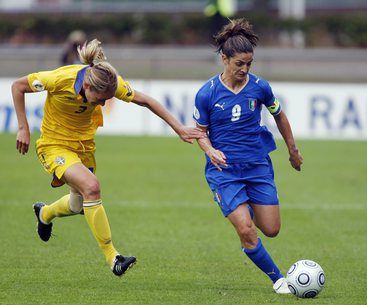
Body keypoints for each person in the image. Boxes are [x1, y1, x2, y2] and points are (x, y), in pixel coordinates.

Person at [11, 39, 205, 276]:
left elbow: (146, 100)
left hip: (84, 147)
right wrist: (23, 127)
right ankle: (113, 257)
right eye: (101, 99)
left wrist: (179, 128)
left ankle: (44, 214)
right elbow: (18, 86)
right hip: (54, 146)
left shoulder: (110, 83)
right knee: (92, 187)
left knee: (77, 204)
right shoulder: (59, 79)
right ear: (89, 87)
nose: (103, 103)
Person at [193, 19, 303, 293]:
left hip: (257, 167)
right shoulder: (206, 94)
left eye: (249, 64)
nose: (244, 69)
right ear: (224, 59)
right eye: (238, 63)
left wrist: (292, 150)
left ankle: (245, 207)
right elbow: (200, 132)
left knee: (272, 229)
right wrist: (209, 149)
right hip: (224, 172)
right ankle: (278, 279)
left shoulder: (260, 87)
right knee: (246, 229)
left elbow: (280, 116)